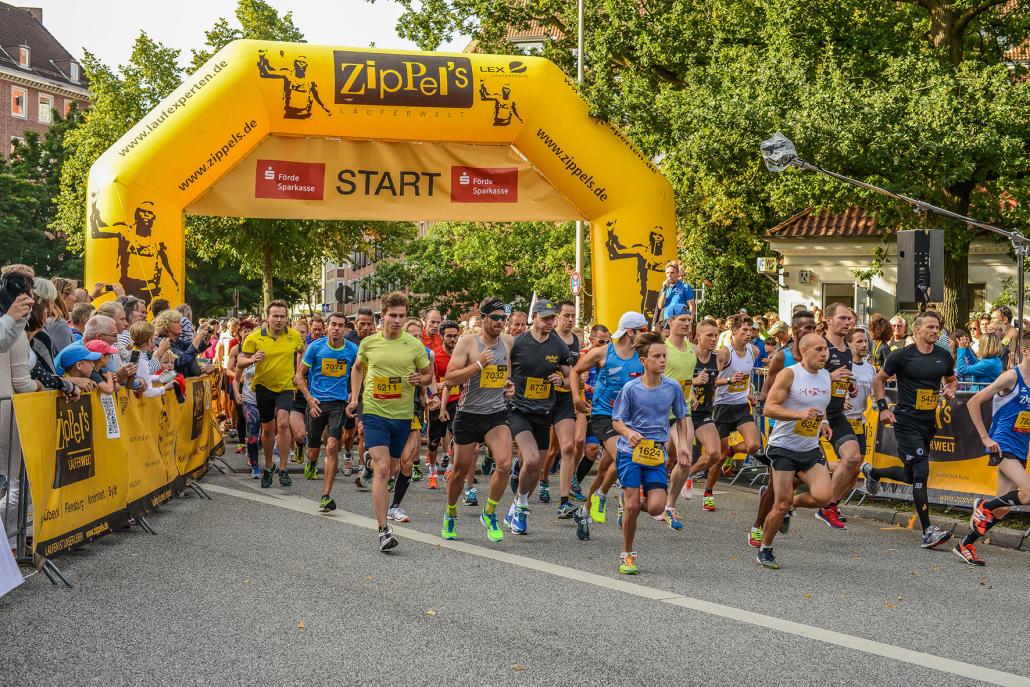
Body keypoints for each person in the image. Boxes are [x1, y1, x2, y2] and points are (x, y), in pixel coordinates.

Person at [861, 311, 957, 550]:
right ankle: (928, 531)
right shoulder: (901, 356)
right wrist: (883, 407)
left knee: (910, 475)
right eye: (931, 327)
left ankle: (873, 472)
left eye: (938, 328)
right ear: (917, 330)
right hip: (905, 422)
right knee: (922, 470)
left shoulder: (944, 356)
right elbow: (878, 380)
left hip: (927, 423)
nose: (936, 331)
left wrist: (950, 389)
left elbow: (951, 380)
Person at [347, 292, 433, 552]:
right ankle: (384, 530)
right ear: (382, 315)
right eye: (392, 315)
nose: (396, 320)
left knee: (393, 469)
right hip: (374, 412)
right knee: (385, 470)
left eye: (401, 316)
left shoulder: (414, 345)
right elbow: (358, 368)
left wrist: (421, 380)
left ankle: (372, 462)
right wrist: (354, 396)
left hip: (402, 415)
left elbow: (429, 374)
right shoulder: (370, 343)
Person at [611, 332, 692, 574]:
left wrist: (683, 445)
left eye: (664, 356)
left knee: (656, 507)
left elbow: (681, 417)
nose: (662, 360)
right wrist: (627, 432)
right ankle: (627, 554)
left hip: (655, 454)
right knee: (635, 505)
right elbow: (617, 420)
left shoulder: (673, 387)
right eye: (656, 356)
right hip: (630, 453)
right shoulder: (631, 389)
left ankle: (628, 504)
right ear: (643, 360)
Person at [440, 298, 516, 542]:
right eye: (495, 318)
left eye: (503, 318)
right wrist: (479, 365)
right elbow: (450, 378)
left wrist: (508, 385)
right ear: (483, 317)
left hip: (495, 413)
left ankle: (490, 511)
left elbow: (505, 370)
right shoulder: (467, 343)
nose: (500, 323)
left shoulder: (507, 341)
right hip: (468, 414)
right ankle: (451, 514)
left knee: (505, 464)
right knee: (461, 470)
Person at [756, 333, 834, 569]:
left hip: (809, 447)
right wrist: (798, 415)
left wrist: (825, 423)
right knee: (779, 504)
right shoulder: (790, 374)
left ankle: (793, 504)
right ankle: (766, 548)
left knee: (823, 496)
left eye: (826, 349)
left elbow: (821, 407)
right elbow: (769, 408)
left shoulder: (826, 376)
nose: (824, 353)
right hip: (783, 448)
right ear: (805, 351)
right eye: (819, 349)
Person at [570, 311, 648, 530]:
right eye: (643, 330)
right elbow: (575, 372)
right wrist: (577, 399)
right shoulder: (603, 352)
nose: (647, 333)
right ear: (630, 332)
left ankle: (584, 511)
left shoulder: (642, 357)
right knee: (623, 456)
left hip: (628, 419)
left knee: (606, 468)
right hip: (604, 415)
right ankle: (602, 496)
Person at [504, 298, 575, 536]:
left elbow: (571, 376)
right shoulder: (518, 342)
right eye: (545, 318)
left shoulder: (558, 346)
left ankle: (516, 505)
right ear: (534, 317)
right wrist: (507, 383)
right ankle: (522, 509)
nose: (549, 323)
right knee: (532, 459)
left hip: (543, 411)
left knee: (536, 467)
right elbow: (506, 370)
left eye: (552, 318)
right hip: (519, 409)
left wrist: (562, 381)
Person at [959, 331, 1030, 565]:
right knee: (1028, 494)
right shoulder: (1010, 377)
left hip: (1020, 448)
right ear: (1025, 351)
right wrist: (985, 438)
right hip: (1002, 444)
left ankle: (965, 544)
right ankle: (983, 505)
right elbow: (973, 402)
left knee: (1003, 508)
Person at [748, 309, 817, 546]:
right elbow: (766, 393)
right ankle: (758, 526)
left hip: (808, 429)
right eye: (807, 328)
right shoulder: (782, 357)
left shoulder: (818, 358)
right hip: (782, 428)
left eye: (814, 327)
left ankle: (784, 505)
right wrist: (788, 404)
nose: (812, 332)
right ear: (796, 331)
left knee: (799, 480)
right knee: (775, 481)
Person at [237, 300, 305, 489]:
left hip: (285, 387)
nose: (279, 320)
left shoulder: (293, 336)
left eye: (282, 316)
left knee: (283, 423)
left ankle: (283, 469)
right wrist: (252, 358)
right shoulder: (255, 337)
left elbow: (303, 352)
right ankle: (268, 466)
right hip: (263, 387)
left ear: (287, 318)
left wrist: (299, 372)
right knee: (267, 428)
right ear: (267, 317)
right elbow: (240, 362)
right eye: (275, 316)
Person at [295, 312, 358, 512]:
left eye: (341, 325)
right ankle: (312, 462)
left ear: (345, 329)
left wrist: (353, 395)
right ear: (327, 327)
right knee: (313, 451)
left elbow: (360, 371)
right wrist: (309, 398)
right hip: (316, 404)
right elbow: (299, 376)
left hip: (338, 404)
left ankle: (325, 496)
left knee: (332, 446)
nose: (337, 328)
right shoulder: (316, 347)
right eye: (333, 324)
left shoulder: (352, 350)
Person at [706, 314, 761, 512]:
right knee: (718, 458)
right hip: (722, 407)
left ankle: (732, 451)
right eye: (744, 330)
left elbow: (747, 378)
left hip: (740, 406)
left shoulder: (753, 351)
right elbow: (712, 380)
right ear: (734, 332)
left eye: (751, 330)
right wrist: (728, 381)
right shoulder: (724, 354)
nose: (748, 334)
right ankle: (709, 492)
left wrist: (750, 393)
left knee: (754, 445)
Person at [814, 302, 862, 530]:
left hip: (834, 413)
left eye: (850, 319)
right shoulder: (820, 346)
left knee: (853, 459)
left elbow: (839, 380)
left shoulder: (847, 350)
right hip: (812, 413)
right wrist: (830, 378)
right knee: (796, 475)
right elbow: (807, 378)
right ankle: (777, 498)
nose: (848, 322)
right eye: (843, 318)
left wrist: (847, 388)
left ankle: (828, 505)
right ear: (828, 319)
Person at [658, 305, 696, 530]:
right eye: (682, 319)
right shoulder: (663, 348)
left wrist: (693, 395)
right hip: (660, 411)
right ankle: (642, 492)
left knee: (685, 457)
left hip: (682, 411)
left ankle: (669, 506)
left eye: (689, 320)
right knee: (658, 458)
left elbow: (687, 380)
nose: (686, 323)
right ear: (670, 321)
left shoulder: (692, 349)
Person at [427, 320, 461, 490]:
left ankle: (450, 468)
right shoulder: (434, 354)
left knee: (459, 437)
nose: (453, 339)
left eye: (455, 336)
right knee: (433, 441)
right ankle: (432, 470)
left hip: (457, 401)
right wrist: (437, 387)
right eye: (449, 336)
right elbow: (430, 377)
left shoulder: (462, 354)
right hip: (438, 401)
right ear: (441, 336)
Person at [342, 307, 375, 476]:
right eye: (362, 323)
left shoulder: (377, 341)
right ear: (355, 323)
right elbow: (345, 369)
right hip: (350, 391)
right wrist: (349, 390)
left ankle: (363, 467)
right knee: (349, 433)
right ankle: (348, 455)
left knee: (362, 430)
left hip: (368, 393)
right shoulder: (347, 341)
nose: (366, 328)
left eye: (369, 324)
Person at [655, 261, 696, 325]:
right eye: (667, 273)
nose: (669, 275)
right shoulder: (664, 289)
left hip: (681, 322)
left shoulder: (685, 287)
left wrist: (690, 322)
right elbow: (660, 306)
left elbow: (692, 306)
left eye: (672, 273)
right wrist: (665, 289)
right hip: (667, 323)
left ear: (677, 274)